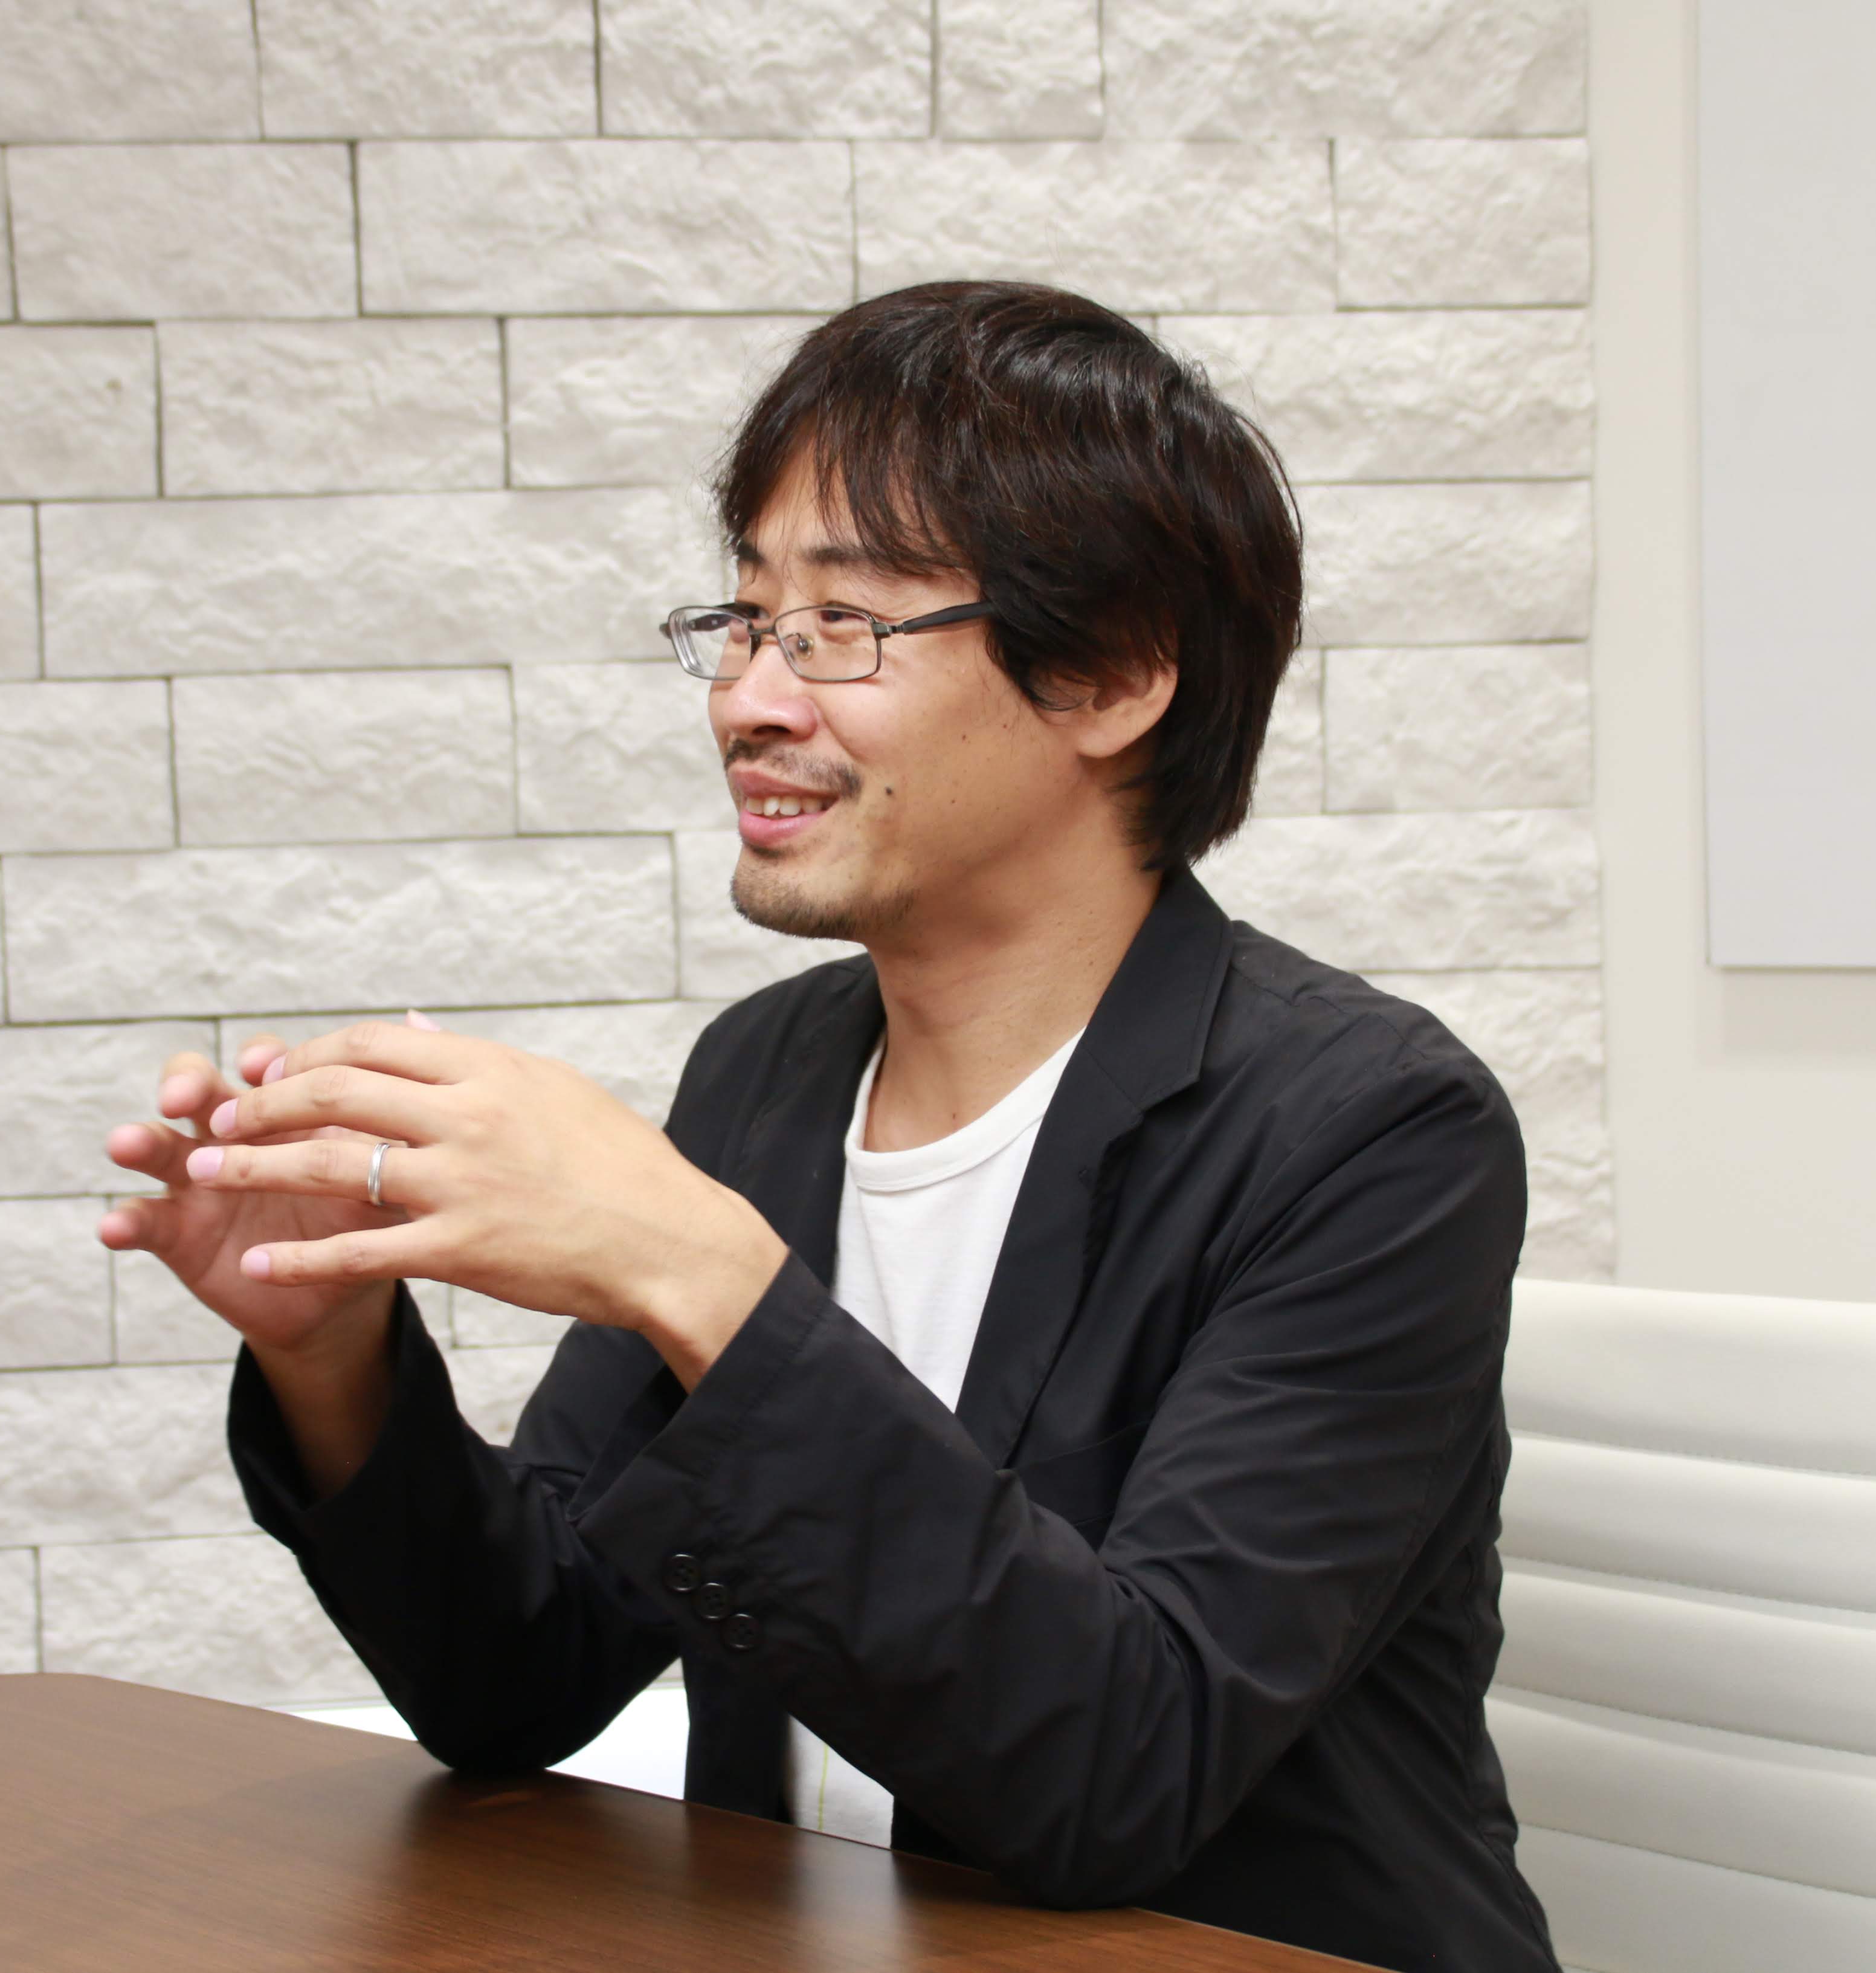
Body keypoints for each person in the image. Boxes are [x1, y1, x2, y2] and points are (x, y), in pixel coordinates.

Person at [98, 281, 1558, 1973]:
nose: (748, 698)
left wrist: (696, 1271)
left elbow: (1122, 1766)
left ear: (1110, 673)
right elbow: (519, 1670)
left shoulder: (1370, 1132)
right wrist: (334, 1352)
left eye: (843, 625)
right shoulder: (770, 1072)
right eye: (743, 617)